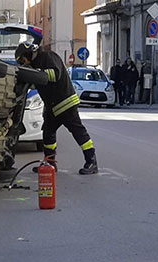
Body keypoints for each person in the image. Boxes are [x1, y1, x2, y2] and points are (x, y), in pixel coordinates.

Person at [15, 42, 98, 175]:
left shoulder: (48, 56)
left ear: (27, 54)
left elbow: (54, 74)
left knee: (78, 132)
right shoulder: (35, 64)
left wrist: (35, 74)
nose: (23, 63)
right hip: (52, 107)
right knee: (48, 134)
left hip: (66, 103)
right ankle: (50, 163)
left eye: (22, 60)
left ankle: (92, 161)